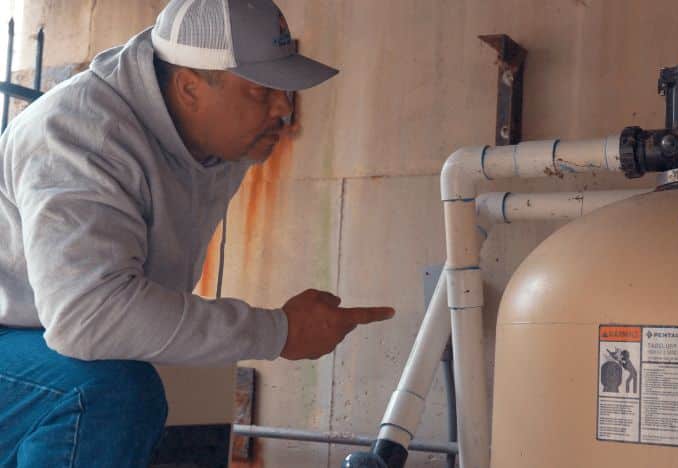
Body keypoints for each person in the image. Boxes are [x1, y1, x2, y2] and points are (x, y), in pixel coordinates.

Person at [0, 0, 395, 466]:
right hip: (19, 335)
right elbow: (89, 317)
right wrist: (280, 331)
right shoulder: (80, 135)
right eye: (262, 90)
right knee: (108, 393)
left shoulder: (218, 142)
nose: (284, 109)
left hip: (39, 341)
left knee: (155, 385)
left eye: (285, 90)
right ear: (188, 87)